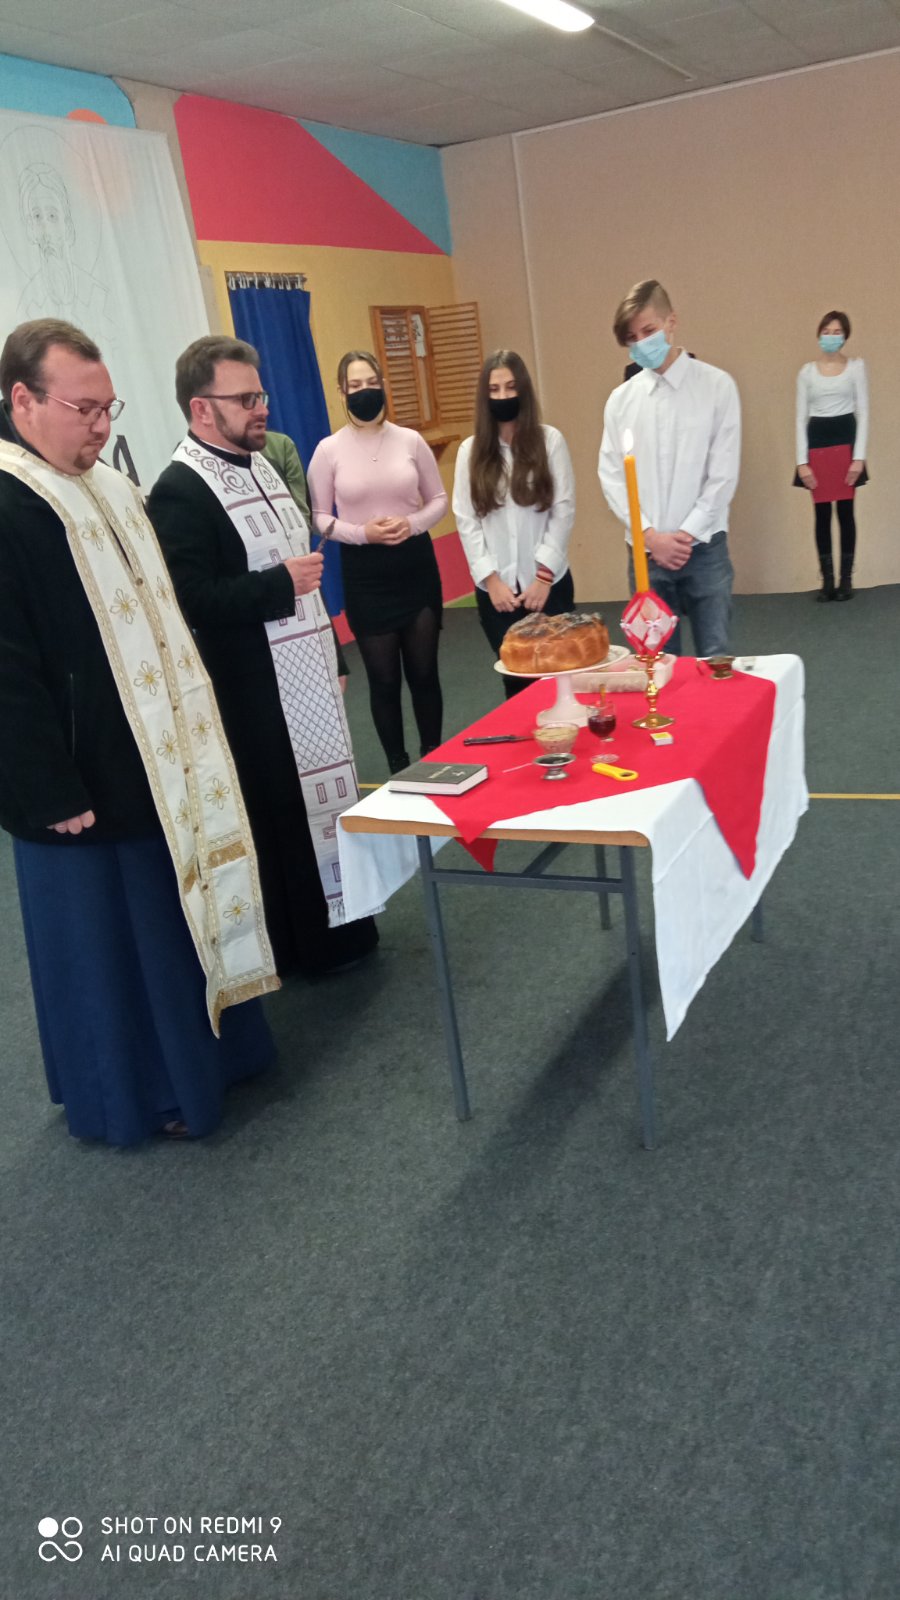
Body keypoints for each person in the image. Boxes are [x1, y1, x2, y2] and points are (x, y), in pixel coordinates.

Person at [0, 318, 278, 1146]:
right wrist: (47, 789)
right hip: (77, 780)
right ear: (22, 401)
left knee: (174, 918)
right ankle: (142, 1093)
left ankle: (219, 1057)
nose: (100, 428)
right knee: (117, 944)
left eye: (107, 409)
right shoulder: (10, 502)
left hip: (155, 760)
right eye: (83, 410)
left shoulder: (111, 487)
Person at [147, 336, 377, 978]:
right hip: (252, 689)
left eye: (261, 394)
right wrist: (279, 585)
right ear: (201, 408)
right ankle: (305, 949)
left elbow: (303, 571)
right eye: (245, 398)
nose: (262, 408)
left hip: (305, 674)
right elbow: (189, 598)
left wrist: (332, 655)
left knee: (324, 803)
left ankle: (347, 930)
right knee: (282, 818)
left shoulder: (263, 464)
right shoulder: (180, 488)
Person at [307, 351, 448, 775]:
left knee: (424, 673)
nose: (365, 391)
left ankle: (434, 758)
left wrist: (412, 523)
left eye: (371, 382)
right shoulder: (328, 450)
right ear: (341, 392)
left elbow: (439, 500)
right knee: (384, 680)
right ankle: (399, 768)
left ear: (383, 385)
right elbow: (319, 517)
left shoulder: (410, 441)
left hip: (414, 565)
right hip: (365, 573)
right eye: (355, 385)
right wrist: (361, 533)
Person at [599, 279, 741, 657]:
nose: (641, 343)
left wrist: (685, 534)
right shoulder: (621, 401)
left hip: (705, 548)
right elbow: (611, 476)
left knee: (715, 658)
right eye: (632, 338)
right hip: (646, 555)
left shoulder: (717, 386)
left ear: (671, 322)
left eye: (649, 331)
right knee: (656, 663)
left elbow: (723, 473)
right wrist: (649, 535)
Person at [452, 349, 576, 697]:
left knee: (559, 681)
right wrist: (491, 580)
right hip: (498, 594)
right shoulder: (469, 452)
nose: (503, 396)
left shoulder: (550, 441)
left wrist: (543, 577)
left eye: (510, 387)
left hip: (548, 586)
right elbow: (466, 520)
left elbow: (563, 510)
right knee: (517, 686)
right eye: (494, 389)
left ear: (523, 390)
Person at [263, 427, 349, 687]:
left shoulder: (280, 446)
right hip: (258, 599)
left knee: (329, 680)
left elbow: (300, 512)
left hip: (296, 572)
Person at [794, 310, 868, 602]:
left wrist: (858, 458)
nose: (831, 337)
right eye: (826, 331)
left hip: (846, 442)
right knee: (822, 514)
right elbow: (800, 418)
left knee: (846, 512)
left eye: (837, 332)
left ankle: (846, 579)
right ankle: (827, 581)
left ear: (845, 336)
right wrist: (802, 462)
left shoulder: (856, 368)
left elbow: (863, 413)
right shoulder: (807, 372)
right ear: (818, 335)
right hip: (817, 444)